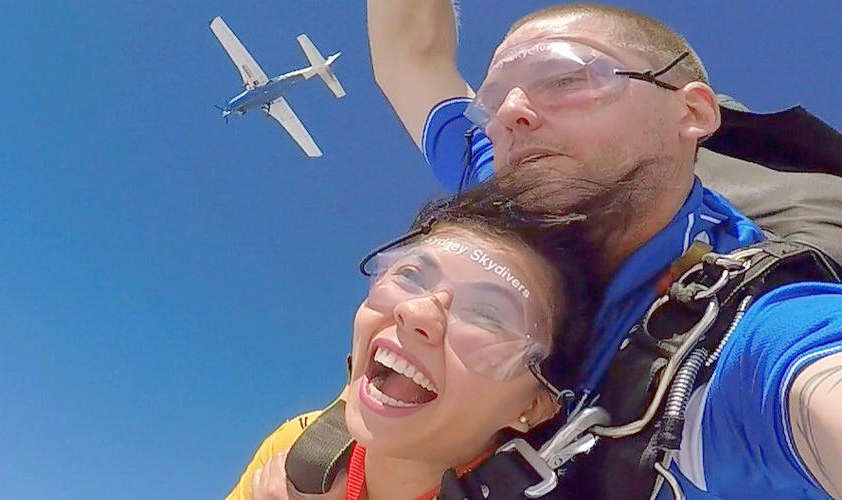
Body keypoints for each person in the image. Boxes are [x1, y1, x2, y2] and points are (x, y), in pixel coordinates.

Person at [233, 3, 842, 499]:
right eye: (495, 99)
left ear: (692, 111)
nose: (514, 113)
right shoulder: (506, 181)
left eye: (567, 80)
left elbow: (811, 382)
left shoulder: (752, 333)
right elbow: (409, 57)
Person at [233, 182, 605, 500]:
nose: (416, 312)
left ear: (534, 405)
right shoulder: (294, 455)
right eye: (410, 275)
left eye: (488, 315)